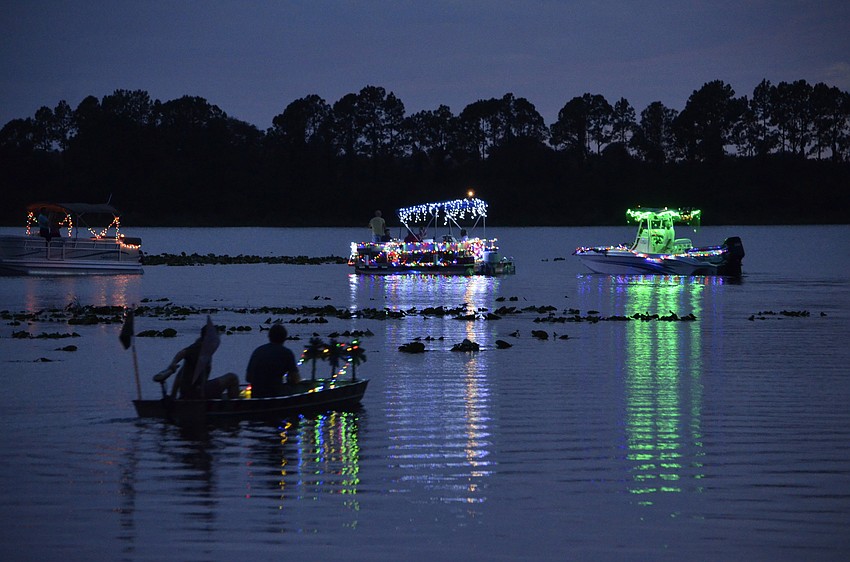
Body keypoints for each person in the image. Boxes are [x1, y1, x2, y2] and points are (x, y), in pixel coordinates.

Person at [165, 324, 240, 400]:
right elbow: (182, 353)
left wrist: (173, 396)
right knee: (232, 378)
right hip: (196, 392)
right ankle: (235, 406)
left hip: (190, 391)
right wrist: (173, 363)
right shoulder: (199, 347)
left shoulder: (203, 349)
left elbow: (179, 375)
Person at [246, 324, 301, 398]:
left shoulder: (258, 351)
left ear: (269, 336)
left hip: (256, 394)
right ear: (285, 338)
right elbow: (295, 379)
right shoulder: (287, 353)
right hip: (276, 394)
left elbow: (248, 378)